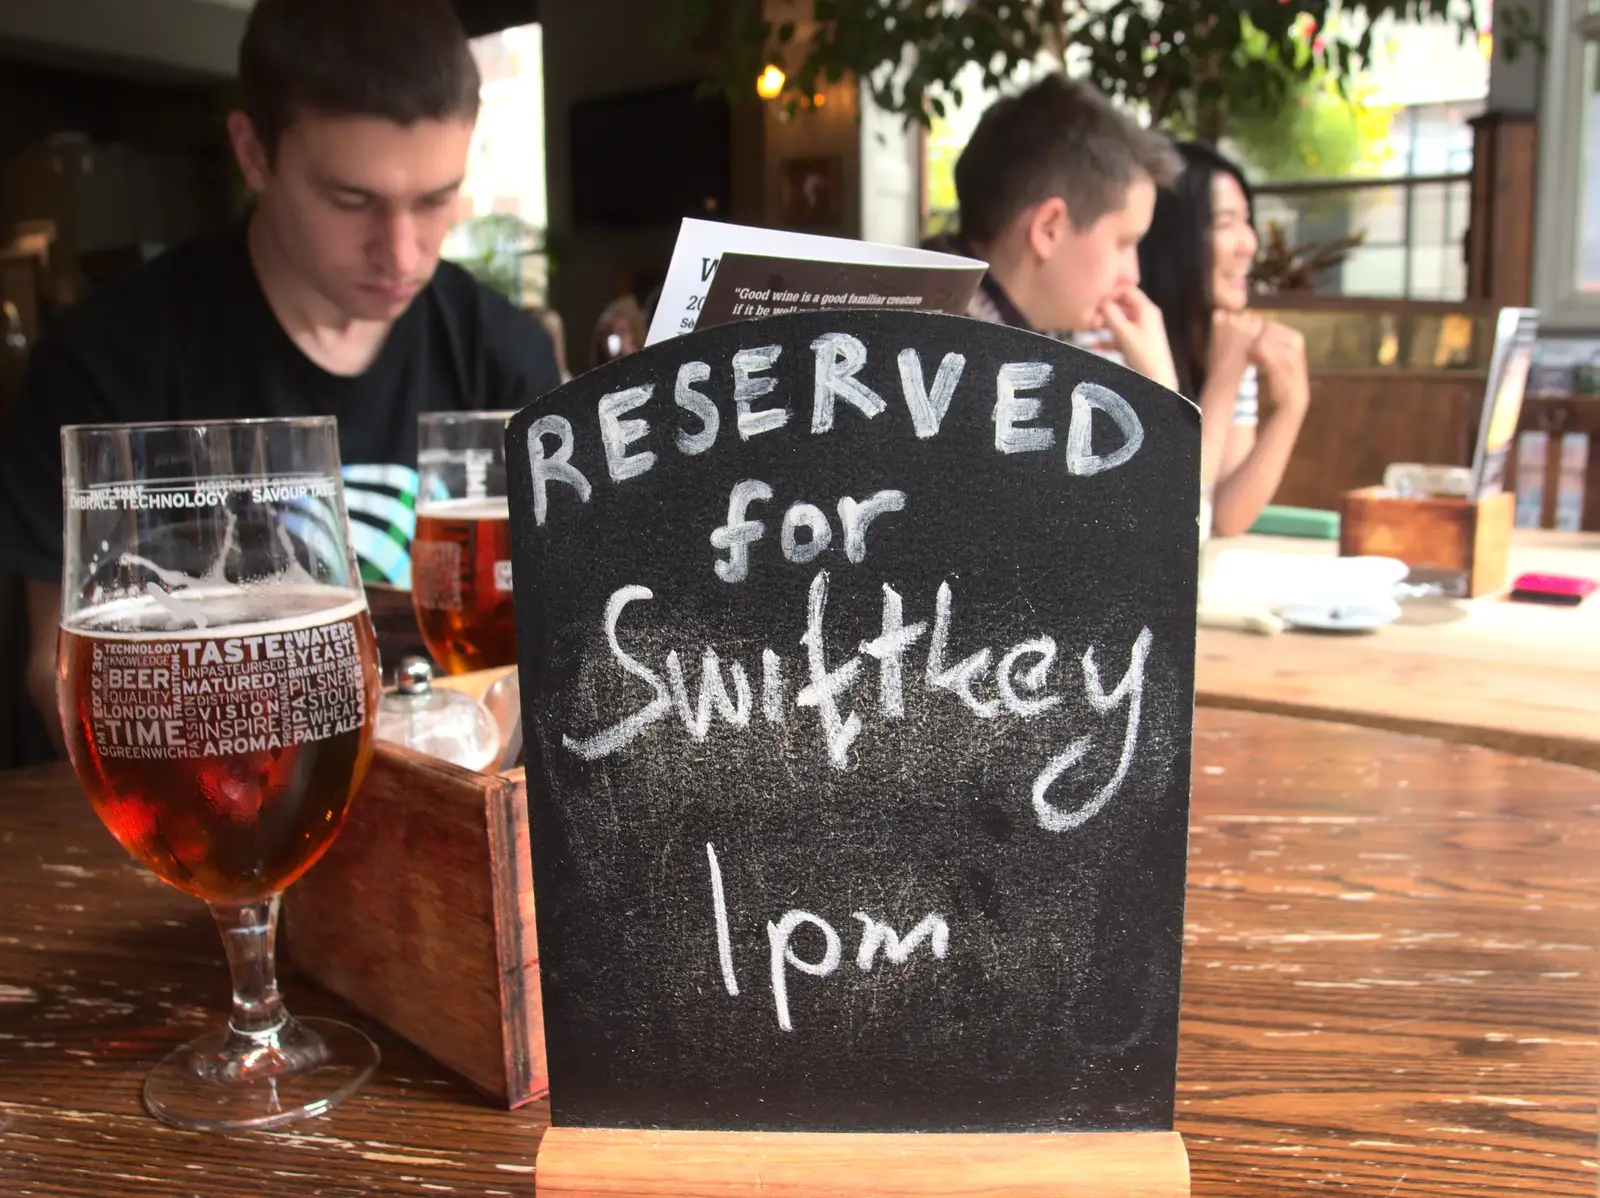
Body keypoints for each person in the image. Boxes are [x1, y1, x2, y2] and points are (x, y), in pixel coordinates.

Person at [0, 0, 563, 746]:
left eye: (434, 200)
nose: (401, 254)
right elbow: (56, 672)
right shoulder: (107, 359)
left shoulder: (503, 350)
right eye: (351, 200)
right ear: (253, 152)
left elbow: (565, 632)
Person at [934, 75, 1183, 392]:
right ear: (1048, 229)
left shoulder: (1048, 335)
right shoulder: (946, 367)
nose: (1132, 276)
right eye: (1123, 243)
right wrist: (1162, 397)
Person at [1138, 142, 1309, 538]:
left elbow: (1228, 519)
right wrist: (1224, 379)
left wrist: (1291, 408)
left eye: (1246, 222)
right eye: (1225, 223)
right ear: (1173, 239)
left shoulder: (1223, 336)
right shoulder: (1116, 336)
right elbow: (1175, 514)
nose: (1248, 244)